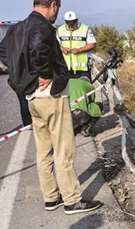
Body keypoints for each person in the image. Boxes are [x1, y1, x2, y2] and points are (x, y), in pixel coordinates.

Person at [0, 0, 102, 215]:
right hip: (51, 96)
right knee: (64, 148)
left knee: (44, 150)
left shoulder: (17, 27)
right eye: (58, 8)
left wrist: (22, 77)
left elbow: (3, 52)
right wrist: (44, 75)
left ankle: (51, 198)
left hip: (32, 99)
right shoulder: (43, 27)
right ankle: (72, 200)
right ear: (53, 5)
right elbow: (38, 49)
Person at [57, 11, 96, 79]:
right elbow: (55, 44)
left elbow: (92, 44)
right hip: (65, 68)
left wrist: (79, 50)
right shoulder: (59, 30)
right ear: (65, 21)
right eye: (68, 23)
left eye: (72, 22)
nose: (70, 25)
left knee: (84, 89)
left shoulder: (86, 29)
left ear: (76, 20)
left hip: (82, 69)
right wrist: (62, 49)